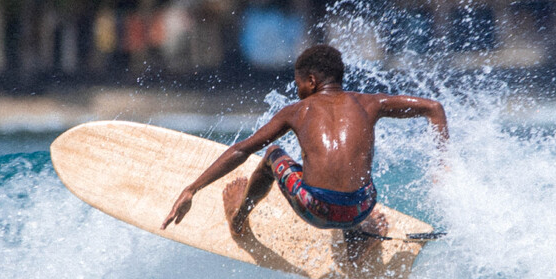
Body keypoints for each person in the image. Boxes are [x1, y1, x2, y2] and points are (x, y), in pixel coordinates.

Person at [161, 44, 448, 236]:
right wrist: (442, 161)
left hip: (317, 210)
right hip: (361, 207)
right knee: (356, 173)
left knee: (273, 153)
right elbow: (434, 108)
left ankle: (238, 218)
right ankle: (357, 233)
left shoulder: (297, 111)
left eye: (298, 82)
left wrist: (192, 189)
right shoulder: (370, 103)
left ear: (311, 80)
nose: (296, 89)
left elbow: (241, 149)